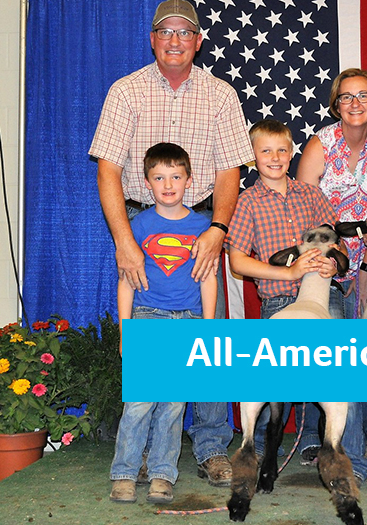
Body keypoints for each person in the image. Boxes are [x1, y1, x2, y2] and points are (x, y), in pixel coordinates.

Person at [89, 0, 254, 487]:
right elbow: (109, 169)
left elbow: (230, 169)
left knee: (205, 340)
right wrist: (124, 239)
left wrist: (217, 231)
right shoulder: (126, 91)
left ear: (198, 40)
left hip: (200, 224)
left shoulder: (220, 94)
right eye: (166, 32)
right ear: (153, 39)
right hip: (141, 222)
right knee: (146, 340)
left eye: (186, 32)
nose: (176, 40)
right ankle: (138, 453)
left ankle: (209, 446)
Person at [297, 68, 367, 482]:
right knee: (332, 356)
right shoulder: (320, 145)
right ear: (336, 103)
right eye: (346, 97)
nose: (355, 104)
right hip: (329, 265)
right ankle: (329, 444)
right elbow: (306, 211)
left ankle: (363, 443)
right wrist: (330, 261)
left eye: (364, 96)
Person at [110, 142, 216, 504]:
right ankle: (124, 473)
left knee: (173, 404)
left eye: (175, 176)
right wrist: (126, 328)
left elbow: (209, 278)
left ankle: (162, 474)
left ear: (190, 180)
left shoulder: (204, 226)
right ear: (146, 182)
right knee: (139, 402)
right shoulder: (137, 225)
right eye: (159, 177)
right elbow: (126, 280)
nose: (168, 184)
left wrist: (208, 324)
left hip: (188, 320)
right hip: (149, 317)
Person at [226, 119, 339, 459]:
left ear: (291, 154)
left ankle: (317, 440)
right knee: (274, 370)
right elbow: (238, 261)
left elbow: (337, 241)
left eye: (281, 150)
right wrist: (288, 273)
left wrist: (334, 262)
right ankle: (258, 443)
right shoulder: (248, 202)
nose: (274, 158)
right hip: (279, 298)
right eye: (266, 151)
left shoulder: (311, 194)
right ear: (253, 156)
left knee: (329, 362)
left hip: (321, 295)